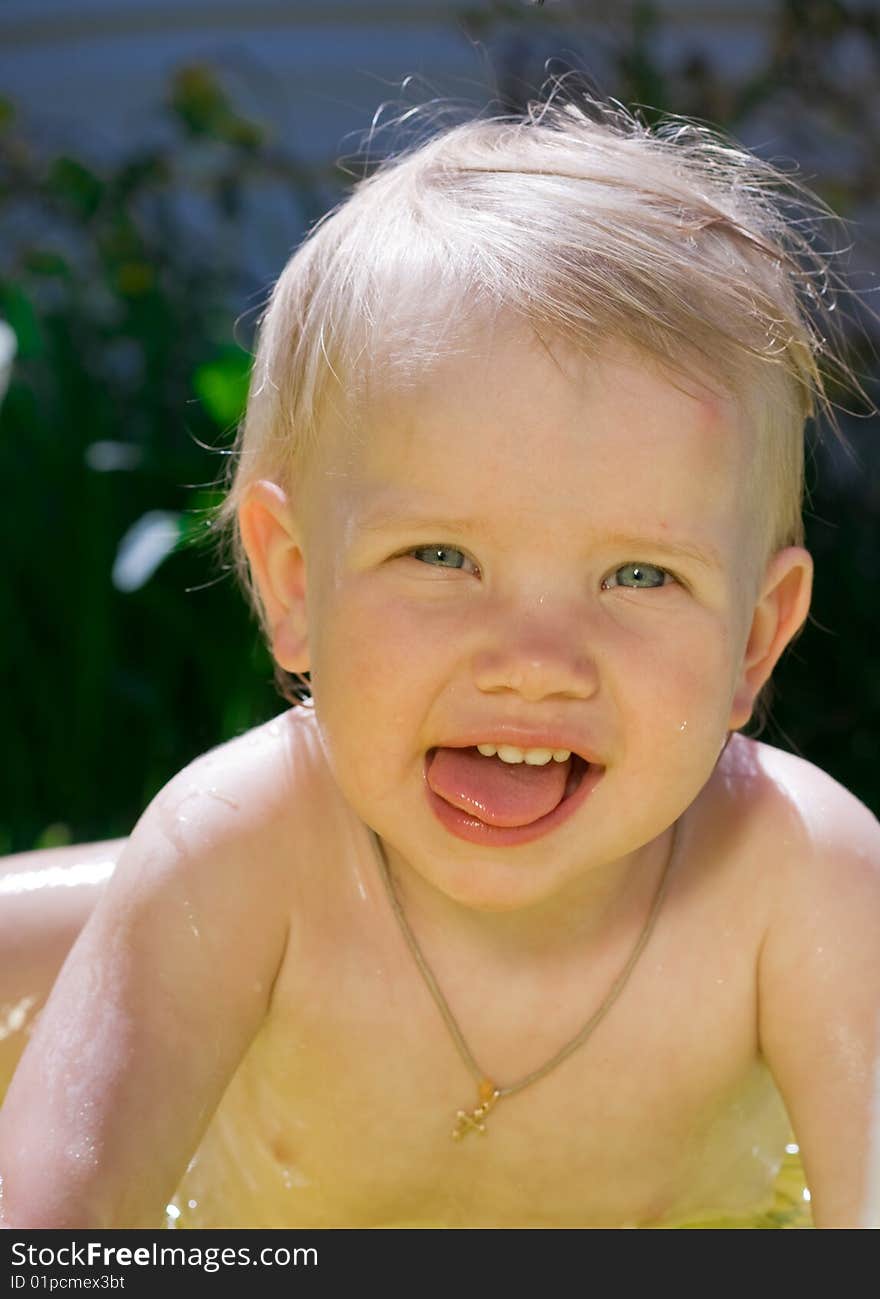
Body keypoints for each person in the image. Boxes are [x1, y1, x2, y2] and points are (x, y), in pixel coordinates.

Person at [1, 93, 878, 1231]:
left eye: (637, 577)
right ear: (294, 584)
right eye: (442, 555)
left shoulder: (801, 879)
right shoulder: (240, 856)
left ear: (754, 639)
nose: (532, 664)